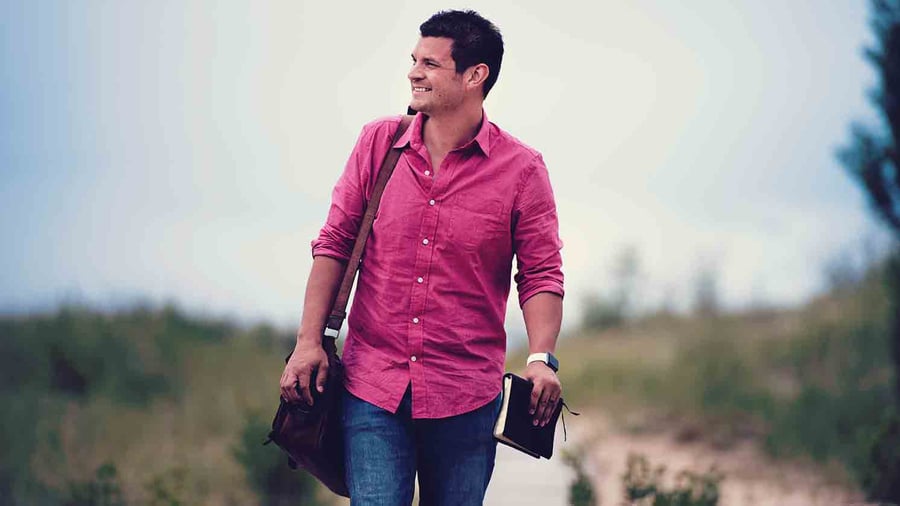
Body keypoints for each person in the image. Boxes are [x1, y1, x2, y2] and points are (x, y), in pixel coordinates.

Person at [280, 9, 565, 505]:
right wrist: (308, 343)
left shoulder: (522, 170)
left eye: (430, 64)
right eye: (414, 60)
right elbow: (335, 243)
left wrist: (541, 359)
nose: (414, 72)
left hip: (467, 397)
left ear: (475, 76)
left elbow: (540, 272)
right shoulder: (378, 143)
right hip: (373, 388)